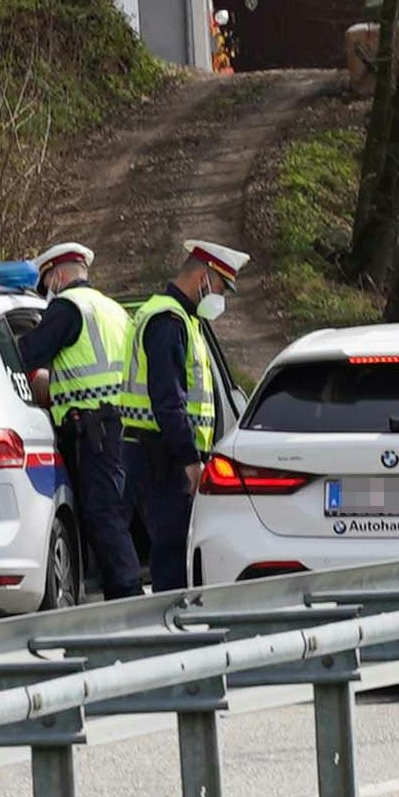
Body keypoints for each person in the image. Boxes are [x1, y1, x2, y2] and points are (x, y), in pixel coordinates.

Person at [14, 242, 144, 601]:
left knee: (103, 513)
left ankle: (128, 593)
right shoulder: (112, 309)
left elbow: (27, 354)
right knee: (115, 511)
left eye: (47, 283)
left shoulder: (68, 308)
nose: (48, 291)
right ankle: (119, 590)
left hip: (92, 430)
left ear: (57, 275)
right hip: (122, 426)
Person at [124, 239, 246, 593]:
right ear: (203, 278)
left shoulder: (182, 320)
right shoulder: (168, 321)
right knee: (171, 556)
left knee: (174, 552)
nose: (220, 297)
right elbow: (169, 400)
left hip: (160, 452)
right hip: (163, 455)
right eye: (220, 287)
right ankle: (171, 622)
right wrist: (190, 459)